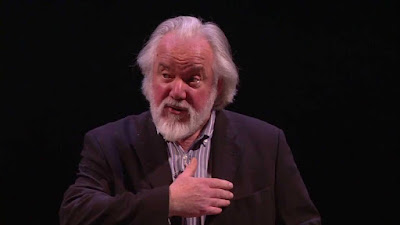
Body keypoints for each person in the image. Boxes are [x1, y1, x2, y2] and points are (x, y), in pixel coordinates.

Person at [59, 16, 321, 225]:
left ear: (217, 86)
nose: (177, 91)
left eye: (192, 79)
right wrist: (168, 201)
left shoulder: (266, 143)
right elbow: (75, 213)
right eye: (166, 75)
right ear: (150, 79)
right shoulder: (109, 143)